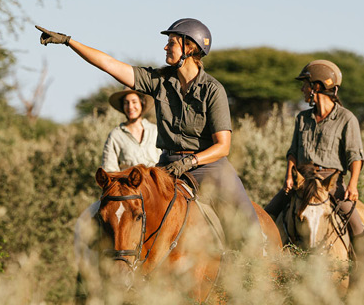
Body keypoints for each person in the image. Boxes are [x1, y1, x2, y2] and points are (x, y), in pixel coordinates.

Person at [36, 19, 259, 235]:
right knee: (125, 206)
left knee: (248, 223)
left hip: (208, 166)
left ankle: (258, 262)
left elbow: (223, 147)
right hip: (167, 166)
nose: (165, 46)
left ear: (189, 48)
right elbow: (110, 65)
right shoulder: (158, 81)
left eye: (171, 42)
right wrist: (68, 42)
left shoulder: (212, 90)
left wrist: (190, 162)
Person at [264, 59, 364, 263]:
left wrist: (353, 184)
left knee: (358, 228)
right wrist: (289, 175)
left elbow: (355, 156)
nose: (302, 89)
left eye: (305, 84)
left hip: (329, 183)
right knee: (267, 215)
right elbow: (293, 152)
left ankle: (361, 279)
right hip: (302, 181)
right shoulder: (302, 118)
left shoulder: (347, 119)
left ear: (317, 86)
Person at [101, 89, 159, 172]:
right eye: (126, 103)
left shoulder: (155, 131)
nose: (130, 107)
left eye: (134, 102)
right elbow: (109, 168)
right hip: (128, 183)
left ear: (142, 103)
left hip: (155, 182)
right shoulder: (116, 135)